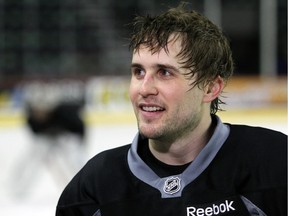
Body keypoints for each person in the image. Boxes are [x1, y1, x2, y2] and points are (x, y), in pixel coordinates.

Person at [56, 3, 287, 216]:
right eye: (138, 72)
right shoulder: (93, 187)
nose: (144, 88)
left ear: (210, 87)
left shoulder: (275, 163)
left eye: (164, 73)